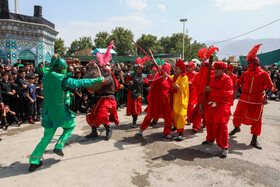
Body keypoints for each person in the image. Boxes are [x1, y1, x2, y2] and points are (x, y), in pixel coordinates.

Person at [29, 55, 104, 172]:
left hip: (48, 112)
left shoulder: (46, 76)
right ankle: (59, 145)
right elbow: (81, 82)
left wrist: (54, 58)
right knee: (71, 126)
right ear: (60, 68)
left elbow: (49, 67)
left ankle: (34, 161)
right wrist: (97, 80)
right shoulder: (63, 80)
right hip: (60, 113)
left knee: (46, 137)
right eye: (64, 67)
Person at [229, 44, 274, 149]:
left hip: (257, 99)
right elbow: (237, 83)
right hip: (244, 97)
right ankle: (236, 128)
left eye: (250, 63)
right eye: (248, 63)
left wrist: (266, 97)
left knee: (257, 120)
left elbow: (271, 87)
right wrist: (234, 92)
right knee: (237, 114)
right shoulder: (245, 74)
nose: (249, 65)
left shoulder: (264, 74)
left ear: (255, 64)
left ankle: (254, 139)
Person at [85, 41, 120, 141]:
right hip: (101, 99)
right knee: (92, 115)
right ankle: (94, 132)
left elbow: (102, 82)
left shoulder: (109, 78)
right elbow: (97, 84)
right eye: (103, 71)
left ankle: (108, 129)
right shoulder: (102, 77)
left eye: (105, 71)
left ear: (108, 71)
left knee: (102, 115)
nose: (104, 72)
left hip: (109, 99)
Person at [202, 61, 233, 158]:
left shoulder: (227, 79)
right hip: (211, 103)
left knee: (221, 125)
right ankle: (210, 139)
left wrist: (212, 90)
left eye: (217, 69)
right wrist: (202, 104)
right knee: (209, 122)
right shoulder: (211, 78)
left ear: (222, 70)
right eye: (214, 69)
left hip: (222, 104)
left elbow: (227, 93)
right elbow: (206, 92)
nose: (214, 71)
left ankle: (224, 147)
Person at [138, 63, 173, 139]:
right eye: (163, 69)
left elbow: (170, 90)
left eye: (166, 70)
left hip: (165, 102)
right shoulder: (158, 75)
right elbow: (153, 82)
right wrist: (162, 78)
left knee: (169, 116)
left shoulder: (170, 79)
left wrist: (175, 88)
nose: (164, 71)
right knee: (150, 115)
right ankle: (141, 128)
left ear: (168, 71)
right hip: (155, 101)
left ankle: (166, 133)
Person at [170, 59, 189, 141]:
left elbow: (182, 87)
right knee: (175, 115)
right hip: (174, 99)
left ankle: (181, 133)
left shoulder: (184, 77)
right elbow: (169, 85)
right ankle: (176, 127)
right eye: (175, 68)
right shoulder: (171, 77)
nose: (175, 70)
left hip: (182, 100)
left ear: (181, 70)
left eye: (177, 68)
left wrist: (177, 86)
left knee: (181, 115)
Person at [125, 57, 147, 128]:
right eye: (137, 68)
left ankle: (135, 121)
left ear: (141, 69)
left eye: (140, 69)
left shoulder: (143, 76)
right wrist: (130, 82)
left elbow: (146, 83)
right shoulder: (131, 75)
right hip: (131, 93)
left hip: (138, 94)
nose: (138, 70)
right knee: (132, 108)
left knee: (136, 109)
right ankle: (134, 121)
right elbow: (126, 82)